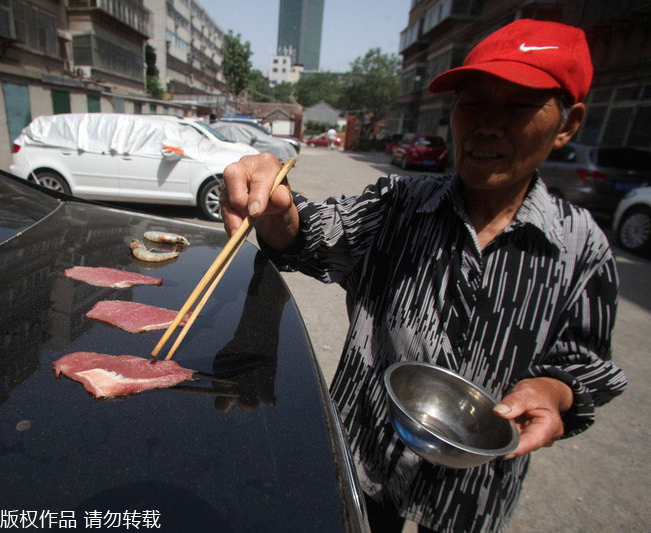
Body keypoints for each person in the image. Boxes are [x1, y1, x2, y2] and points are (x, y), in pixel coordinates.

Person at [219, 19, 626, 532]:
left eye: (519, 106)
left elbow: (584, 360)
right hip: (365, 457)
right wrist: (277, 210)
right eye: (473, 102)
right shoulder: (398, 204)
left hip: (474, 488)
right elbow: (311, 238)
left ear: (568, 124)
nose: (487, 125)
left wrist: (552, 391)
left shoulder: (580, 246)